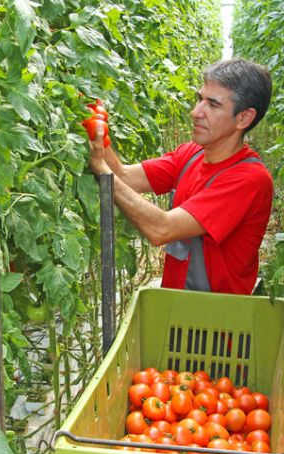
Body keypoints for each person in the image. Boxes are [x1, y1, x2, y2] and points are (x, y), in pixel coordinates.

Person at [87, 58, 273, 295]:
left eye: (213, 104)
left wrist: (102, 170)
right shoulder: (192, 154)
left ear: (244, 118)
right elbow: (124, 176)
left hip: (216, 321)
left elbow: (162, 229)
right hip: (179, 307)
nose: (196, 112)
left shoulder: (248, 179)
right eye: (200, 99)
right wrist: (99, 135)